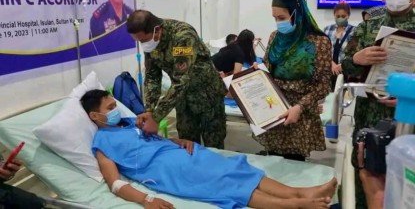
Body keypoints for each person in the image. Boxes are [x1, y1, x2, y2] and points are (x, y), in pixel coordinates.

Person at [81, 89, 337, 209]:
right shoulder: (102, 144)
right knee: (224, 184)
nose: (117, 110)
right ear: (95, 116)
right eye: (110, 108)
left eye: (115, 104)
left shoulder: (129, 122)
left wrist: (177, 141)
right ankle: (296, 206)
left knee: (233, 166)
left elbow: (151, 141)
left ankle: (300, 192)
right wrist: (146, 200)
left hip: (182, 153)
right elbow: (114, 183)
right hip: (168, 170)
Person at [341, 0, 415, 209]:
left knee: (404, 188)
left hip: (409, 126)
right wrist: (356, 59)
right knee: (364, 182)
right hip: (368, 121)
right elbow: (344, 66)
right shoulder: (367, 27)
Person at [126, 10, 227, 149]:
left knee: (213, 146)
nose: (142, 44)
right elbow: (152, 76)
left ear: (157, 30)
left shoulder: (182, 36)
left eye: (143, 40)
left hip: (208, 95)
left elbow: (181, 80)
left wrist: (156, 118)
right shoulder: (151, 42)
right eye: (138, 41)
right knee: (187, 145)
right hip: (183, 99)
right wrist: (149, 110)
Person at [255, 0, 332, 162]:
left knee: (293, 167)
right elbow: (267, 69)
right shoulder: (275, 37)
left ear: (297, 13)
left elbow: (323, 84)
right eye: (275, 18)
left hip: (299, 113)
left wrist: (300, 106)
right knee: (273, 161)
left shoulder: (318, 42)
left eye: (282, 17)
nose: (278, 23)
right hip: (274, 108)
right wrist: (256, 73)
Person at [323, 3, 356, 91]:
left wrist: (342, 65)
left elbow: (355, 52)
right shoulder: (327, 29)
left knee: (342, 98)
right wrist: (331, 63)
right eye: (338, 16)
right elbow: (323, 50)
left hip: (345, 71)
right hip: (328, 70)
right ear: (334, 15)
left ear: (348, 15)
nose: (340, 18)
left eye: (343, 16)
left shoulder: (355, 31)